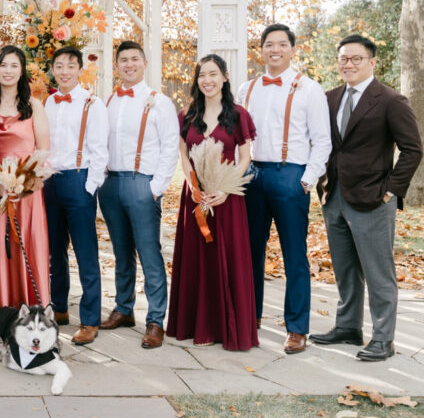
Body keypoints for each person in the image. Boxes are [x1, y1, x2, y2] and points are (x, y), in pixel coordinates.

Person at [310, 35, 422, 362]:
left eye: (356, 59)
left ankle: (383, 339)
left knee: (378, 273)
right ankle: (347, 327)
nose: (348, 64)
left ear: (371, 62)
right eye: (344, 58)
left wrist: (391, 190)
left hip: (374, 200)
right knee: (345, 270)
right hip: (334, 196)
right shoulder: (329, 98)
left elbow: (413, 150)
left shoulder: (390, 100)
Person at [237, 24, 330, 354]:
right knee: (249, 253)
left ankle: (296, 328)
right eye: (268, 44)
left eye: (281, 44)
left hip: (290, 176)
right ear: (260, 50)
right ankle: (250, 317)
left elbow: (322, 141)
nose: (274, 49)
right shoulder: (245, 89)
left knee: (294, 255)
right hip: (250, 177)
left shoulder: (309, 89)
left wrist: (306, 180)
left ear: (292, 49)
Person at [167, 54, 258, 351]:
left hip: (227, 198)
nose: (207, 80)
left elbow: (245, 157)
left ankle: (228, 328)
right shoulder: (186, 115)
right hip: (195, 195)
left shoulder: (239, 115)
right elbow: (183, 153)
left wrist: (227, 188)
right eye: (202, 75)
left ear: (225, 77)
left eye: (213, 74)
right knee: (196, 259)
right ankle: (197, 326)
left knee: (229, 259)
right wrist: (193, 184)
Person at [98, 41, 180, 349]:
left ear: (144, 63)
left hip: (142, 183)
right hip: (111, 184)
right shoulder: (107, 102)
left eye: (134, 59)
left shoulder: (160, 103)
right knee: (121, 252)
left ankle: (156, 319)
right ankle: (124, 308)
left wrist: (155, 188)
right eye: (123, 60)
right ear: (116, 66)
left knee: (149, 253)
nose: (129, 65)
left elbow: (170, 147)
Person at [0, 45, 50, 326]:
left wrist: (29, 183)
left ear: (22, 70)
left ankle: (32, 313)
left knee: (25, 246)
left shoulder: (34, 107)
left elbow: (44, 152)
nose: (8, 71)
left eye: (14, 65)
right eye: (3, 65)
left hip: (27, 193)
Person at [42, 46, 109, 345]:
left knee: (85, 253)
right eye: (59, 65)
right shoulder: (47, 102)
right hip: (49, 182)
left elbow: (99, 150)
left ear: (80, 69)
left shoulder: (92, 104)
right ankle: (58, 309)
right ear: (53, 70)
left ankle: (90, 319)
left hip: (79, 180)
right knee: (55, 252)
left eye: (71, 65)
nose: (65, 71)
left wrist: (89, 187)